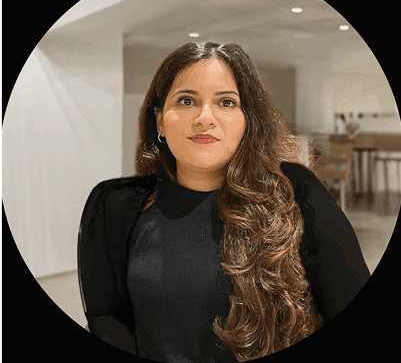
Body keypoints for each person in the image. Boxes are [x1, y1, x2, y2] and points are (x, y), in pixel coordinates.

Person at [78, 42, 370, 362]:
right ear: (159, 119)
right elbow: (107, 319)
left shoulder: (296, 192)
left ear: (247, 119)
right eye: (187, 100)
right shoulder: (115, 206)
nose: (205, 118)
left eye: (226, 102)